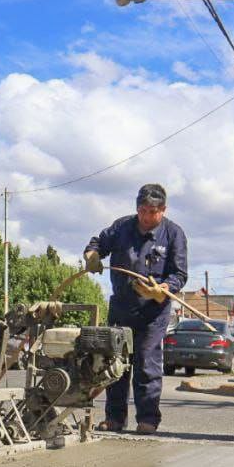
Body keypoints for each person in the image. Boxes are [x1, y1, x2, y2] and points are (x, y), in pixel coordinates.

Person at [83, 183, 188, 434]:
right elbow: (98, 244)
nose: (147, 217)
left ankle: (148, 419)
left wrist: (161, 289)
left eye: (153, 212)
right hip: (121, 307)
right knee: (116, 363)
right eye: (142, 210)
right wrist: (92, 256)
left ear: (163, 210)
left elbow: (180, 274)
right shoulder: (121, 227)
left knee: (146, 362)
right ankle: (115, 418)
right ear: (137, 208)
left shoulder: (174, 234)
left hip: (153, 311)